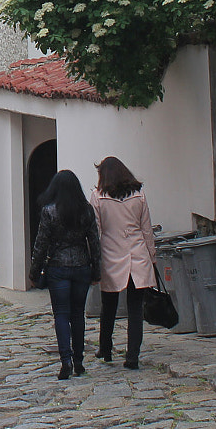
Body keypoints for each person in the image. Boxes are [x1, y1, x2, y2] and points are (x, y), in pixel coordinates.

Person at [29, 170, 101, 380]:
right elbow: (94, 244)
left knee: (61, 314)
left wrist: (34, 271)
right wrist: (97, 271)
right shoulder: (86, 211)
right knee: (78, 314)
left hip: (58, 268)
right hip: (81, 266)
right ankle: (79, 360)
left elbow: (41, 244)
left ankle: (66, 360)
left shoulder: (49, 212)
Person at [90, 156, 156, 370]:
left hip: (111, 255)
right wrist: (152, 257)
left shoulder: (98, 197)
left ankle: (106, 348)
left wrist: (94, 260)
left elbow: (96, 232)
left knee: (108, 307)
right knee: (135, 309)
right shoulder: (139, 195)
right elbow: (146, 229)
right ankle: (132, 356)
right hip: (137, 255)